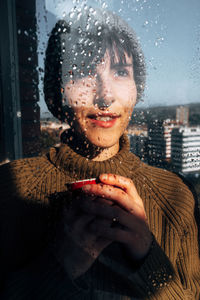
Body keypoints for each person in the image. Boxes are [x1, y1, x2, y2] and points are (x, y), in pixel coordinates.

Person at [0, 7, 200, 300]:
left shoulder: (177, 197)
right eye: (82, 72)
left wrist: (148, 255)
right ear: (57, 91)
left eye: (121, 72)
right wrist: (60, 265)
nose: (105, 95)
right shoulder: (9, 190)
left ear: (136, 87)